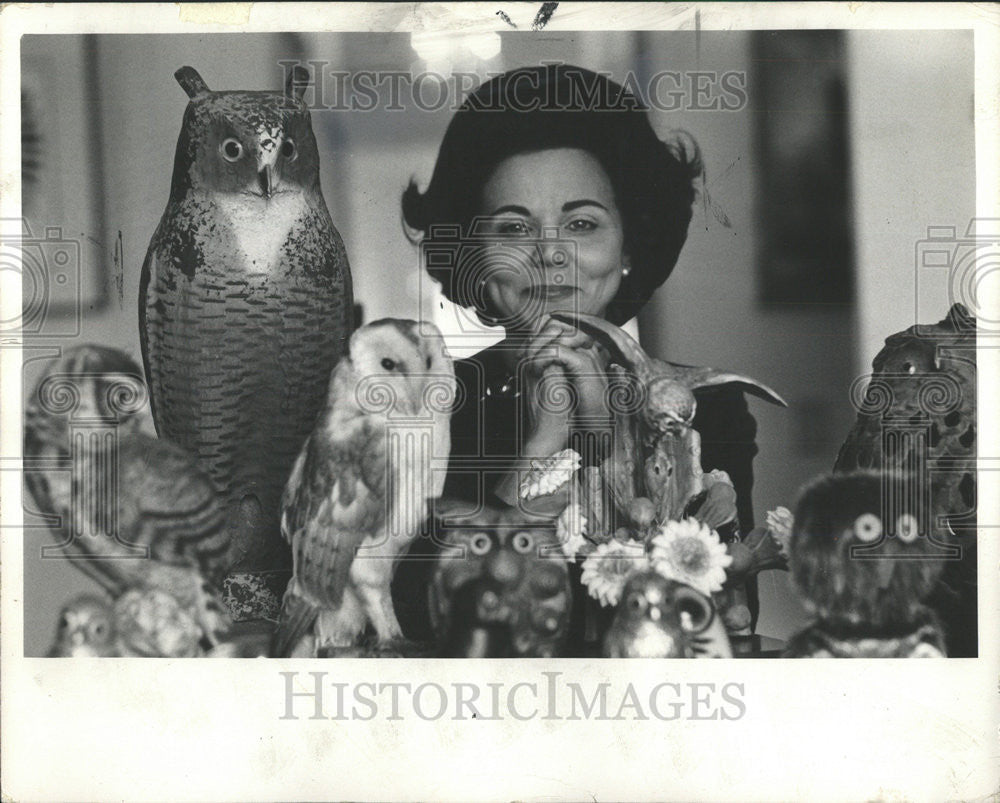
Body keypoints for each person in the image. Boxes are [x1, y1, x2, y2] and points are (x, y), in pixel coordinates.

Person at [391, 64, 760, 652]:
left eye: (581, 223)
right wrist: (545, 443)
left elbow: (723, 606)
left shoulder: (708, 402)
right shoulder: (426, 404)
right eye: (514, 228)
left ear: (630, 244)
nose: (550, 255)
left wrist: (604, 431)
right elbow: (419, 613)